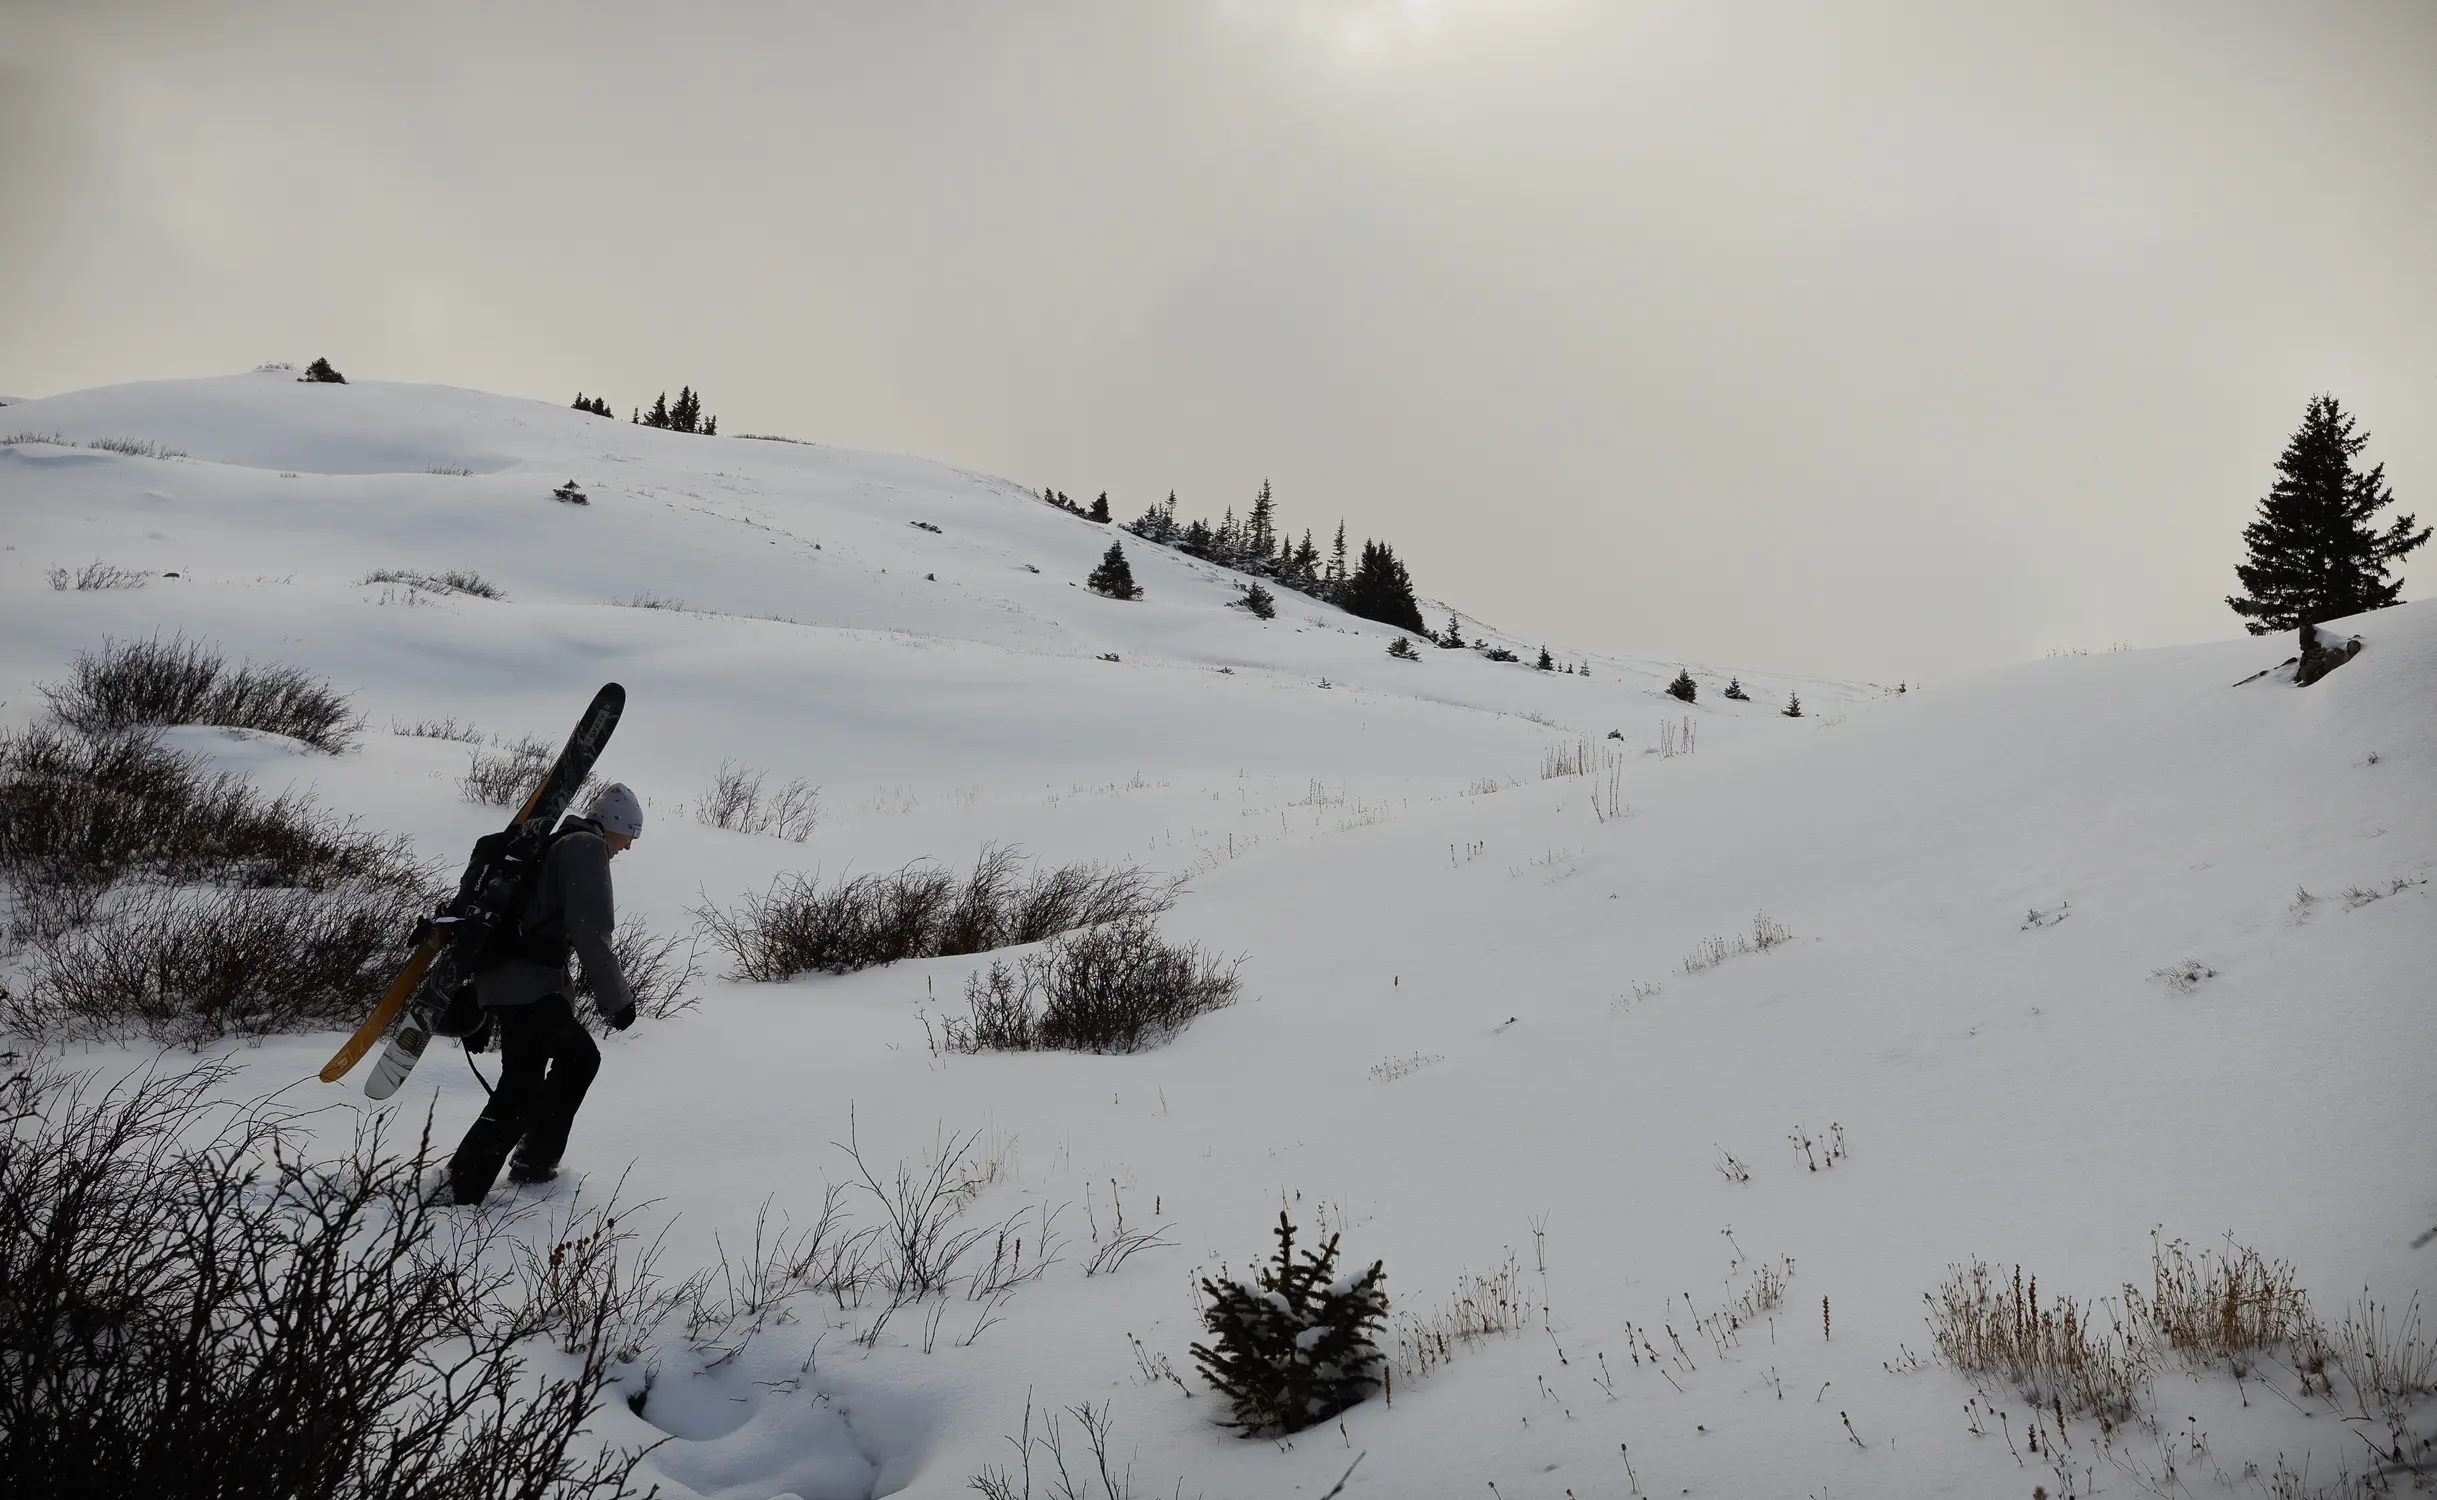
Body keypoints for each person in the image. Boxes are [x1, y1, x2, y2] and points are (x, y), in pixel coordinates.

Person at [448, 782, 644, 1204]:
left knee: (550, 1069)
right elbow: (592, 933)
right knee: (545, 1075)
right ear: (614, 826)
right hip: (528, 986)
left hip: (515, 981)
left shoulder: (556, 845)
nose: (627, 848)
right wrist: (619, 1002)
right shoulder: (586, 850)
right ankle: (474, 1181)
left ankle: (520, 1164)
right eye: (631, 834)